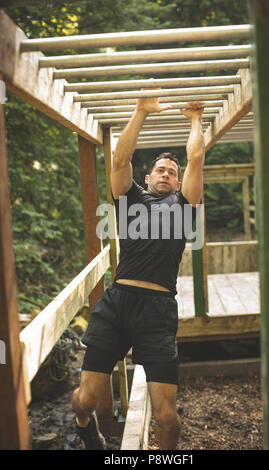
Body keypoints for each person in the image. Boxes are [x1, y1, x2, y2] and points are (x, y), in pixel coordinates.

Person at [72, 92, 205, 450]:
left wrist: (194, 119)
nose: (167, 174)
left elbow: (195, 158)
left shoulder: (185, 205)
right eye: (160, 169)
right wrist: (140, 111)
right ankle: (84, 425)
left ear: (178, 183)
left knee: (166, 417)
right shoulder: (131, 198)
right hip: (118, 304)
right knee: (86, 398)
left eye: (172, 173)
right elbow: (120, 159)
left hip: (158, 311)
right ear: (148, 178)